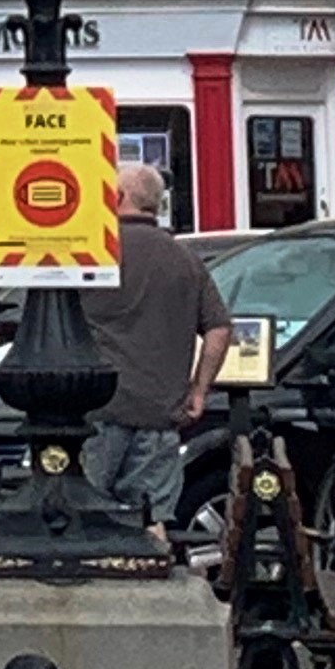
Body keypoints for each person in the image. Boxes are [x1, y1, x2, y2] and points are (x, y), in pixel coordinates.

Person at [81, 163, 233, 528]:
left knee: (83, 518)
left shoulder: (95, 254)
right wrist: (199, 390)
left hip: (97, 411)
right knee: (152, 522)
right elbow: (219, 330)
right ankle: (153, 582)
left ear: (116, 198)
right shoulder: (185, 259)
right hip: (159, 415)